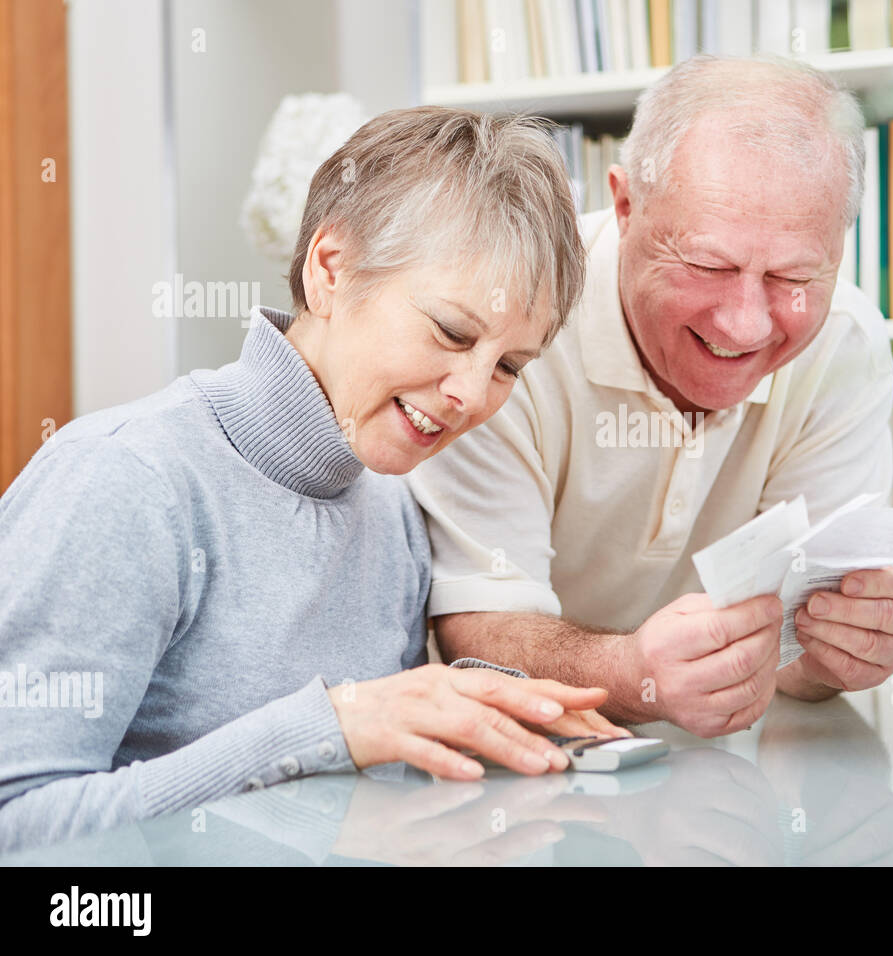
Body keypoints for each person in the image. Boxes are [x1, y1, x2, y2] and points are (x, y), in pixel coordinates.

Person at [0, 106, 620, 852]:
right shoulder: (125, 481)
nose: (471, 394)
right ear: (330, 269)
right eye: (452, 333)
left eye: (509, 367)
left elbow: (336, 806)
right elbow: (18, 829)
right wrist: (331, 723)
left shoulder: (387, 502)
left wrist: (483, 725)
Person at [409, 56, 893, 739]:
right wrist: (631, 671)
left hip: (722, 779)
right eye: (709, 266)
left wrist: (838, 650)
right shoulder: (511, 325)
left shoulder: (842, 345)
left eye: (794, 274)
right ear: (624, 207)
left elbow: (795, 658)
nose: (746, 323)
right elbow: (478, 631)